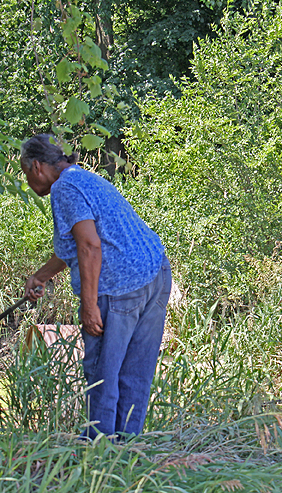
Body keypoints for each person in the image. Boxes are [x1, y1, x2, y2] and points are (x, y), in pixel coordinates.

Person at [20, 133, 172, 440]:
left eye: (26, 173)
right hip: (155, 273)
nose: (28, 181)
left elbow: (89, 246)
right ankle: (127, 448)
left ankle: (99, 449)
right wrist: (41, 276)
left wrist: (89, 307)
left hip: (119, 287)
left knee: (103, 372)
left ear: (36, 166)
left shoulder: (63, 188)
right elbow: (77, 244)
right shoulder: (86, 178)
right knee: (135, 372)